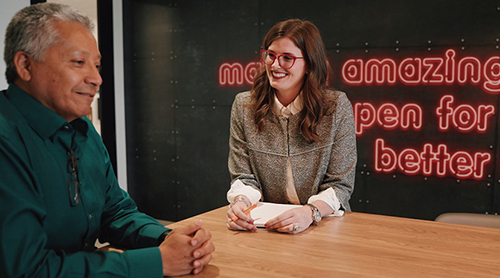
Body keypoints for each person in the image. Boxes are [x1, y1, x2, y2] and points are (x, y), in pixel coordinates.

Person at [0, 3, 214, 277]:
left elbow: (114, 213)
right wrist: (158, 262)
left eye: (97, 65)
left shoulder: (82, 129)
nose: (97, 78)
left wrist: (168, 239)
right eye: (79, 62)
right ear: (25, 65)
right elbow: (27, 270)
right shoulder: (6, 141)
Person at [226, 19, 357, 234]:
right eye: (271, 55)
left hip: (323, 226)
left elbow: (340, 185)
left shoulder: (335, 107)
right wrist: (240, 203)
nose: (275, 65)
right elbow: (243, 177)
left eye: (287, 58)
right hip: (265, 228)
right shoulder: (244, 106)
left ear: (309, 64)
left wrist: (310, 212)